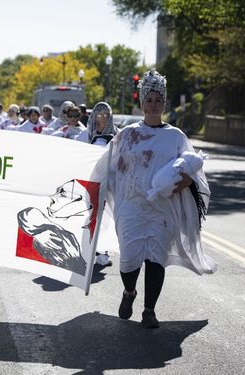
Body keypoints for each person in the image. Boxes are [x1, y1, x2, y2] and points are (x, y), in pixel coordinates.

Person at [91, 69, 216, 329]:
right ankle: (129, 292)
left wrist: (188, 181)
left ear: (164, 104)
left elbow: (194, 168)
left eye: (158, 100)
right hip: (131, 207)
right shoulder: (126, 135)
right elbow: (105, 166)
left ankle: (149, 311)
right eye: (149, 99)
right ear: (142, 102)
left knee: (155, 258)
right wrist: (97, 193)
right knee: (128, 261)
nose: (153, 104)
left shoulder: (175, 136)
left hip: (162, 210)